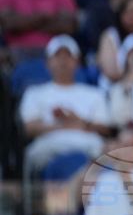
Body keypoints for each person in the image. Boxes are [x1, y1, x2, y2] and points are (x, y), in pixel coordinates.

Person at [19, 35, 110, 172]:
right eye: (57, 56)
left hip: (88, 147)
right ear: (48, 62)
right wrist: (63, 125)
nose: (63, 61)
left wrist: (79, 122)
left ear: (77, 62)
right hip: (48, 146)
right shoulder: (34, 93)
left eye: (68, 56)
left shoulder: (95, 94)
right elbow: (29, 127)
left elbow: (104, 128)